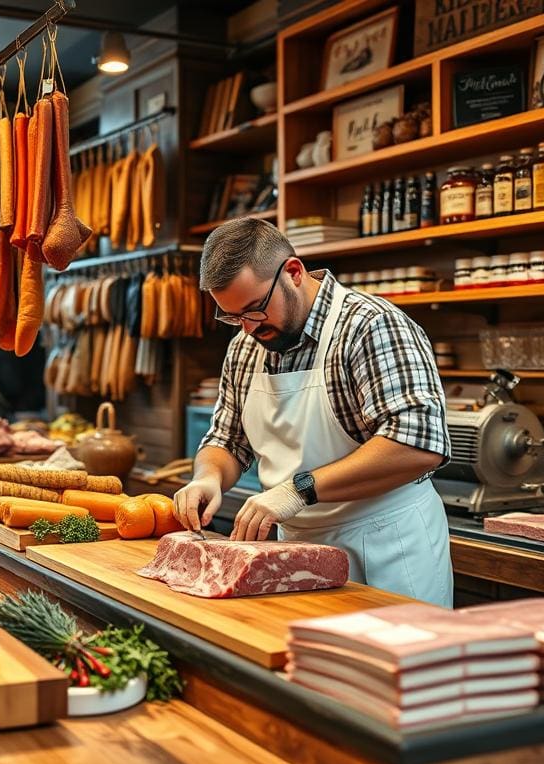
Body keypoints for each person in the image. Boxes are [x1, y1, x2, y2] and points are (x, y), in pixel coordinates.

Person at [173, 218, 453, 607]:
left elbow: (417, 443)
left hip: (389, 545)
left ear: (293, 272)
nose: (248, 328)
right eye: (233, 317)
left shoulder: (369, 326)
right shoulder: (245, 346)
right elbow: (227, 439)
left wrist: (299, 489)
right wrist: (208, 478)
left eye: (254, 310)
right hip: (299, 550)